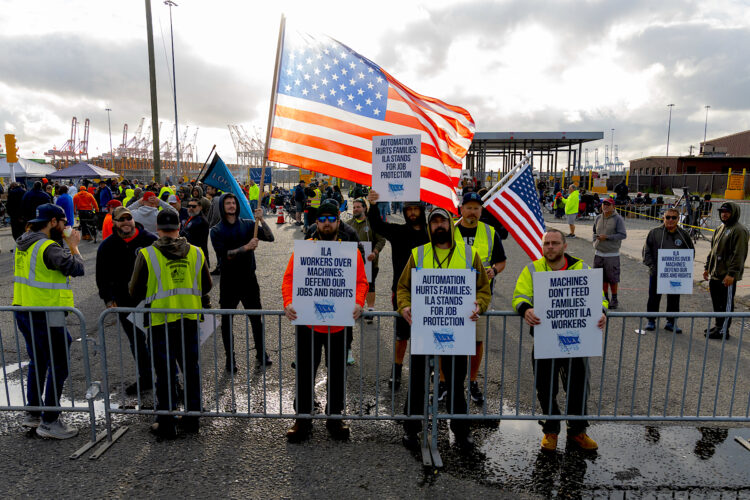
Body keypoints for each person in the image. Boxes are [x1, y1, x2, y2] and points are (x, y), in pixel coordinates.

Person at [396, 207, 491, 450]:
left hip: (456, 331)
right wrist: (404, 306)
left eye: (443, 221)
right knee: (417, 381)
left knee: (456, 382)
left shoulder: (470, 255)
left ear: (450, 224)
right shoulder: (418, 254)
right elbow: (403, 287)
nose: (439, 225)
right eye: (435, 222)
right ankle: (412, 428)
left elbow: (483, 288)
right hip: (424, 329)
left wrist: (479, 304)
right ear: (430, 227)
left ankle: (460, 431)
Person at [282, 201, 368, 442]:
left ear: (338, 222)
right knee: (305, 370)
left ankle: (335, 416)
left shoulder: (348, 250)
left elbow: (362, 282)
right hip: (308, 323)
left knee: (337, 371)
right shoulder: (304, 249)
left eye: (332, 218)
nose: (327, 223)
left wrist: (359, 302)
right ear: (316, 223)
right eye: (322, 219)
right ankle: (302, 417)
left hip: (339, 324)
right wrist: (288, 301)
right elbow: (289, 279)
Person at [513, 229, 605, 452]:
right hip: (545, 338)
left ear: (565, 246)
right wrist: (525, 309)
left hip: (577, 340)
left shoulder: (582, 268)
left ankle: (577, 431)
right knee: (545, 387)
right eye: (546, 244)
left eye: (555, 243)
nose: (550, 247)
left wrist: (602, 311)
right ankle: (551, 431)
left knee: (578, 387)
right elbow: (520, 296)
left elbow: (599, 297)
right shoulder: (533, 268)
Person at [129, 210, 212, 439]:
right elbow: (206, 286)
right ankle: (192, 418)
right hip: (189, 318)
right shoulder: (196, 252)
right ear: (179, 228)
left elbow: (134, 290)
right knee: (191, 368)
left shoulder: (147, 254)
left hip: (160, 321)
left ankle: (166, 423)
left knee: (165, 372)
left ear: (158, 229)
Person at [13, 204, 84, 439]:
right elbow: (77, 268)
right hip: (46, 312)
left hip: (24, 308)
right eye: (64, 223)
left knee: (39, 361)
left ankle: (33, 414)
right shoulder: (47, 246)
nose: (66, 227)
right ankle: (50, 421)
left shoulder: (24, 240)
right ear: (53, 222)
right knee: (59, 363)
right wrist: (74, 246)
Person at [367, 190, 429, 390]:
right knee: (402, 335)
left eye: (415, 209)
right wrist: (374, 205)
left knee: (428, 333)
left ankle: (431, 369)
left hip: (430, 291)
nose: (412, 213)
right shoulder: (399, 232)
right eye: (409, 209)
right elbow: (377, 225)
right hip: (402, 292)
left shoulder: (432, 233)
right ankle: (397, 368)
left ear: (422, 210)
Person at [96, 205, 158, 394]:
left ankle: (170, 382)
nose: (126, 222)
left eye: (128, 218)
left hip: (152, 300)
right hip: (125, 302)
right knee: (137, 342)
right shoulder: (107, 245)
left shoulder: (150, 240)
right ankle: (146, 378)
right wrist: (107, 298)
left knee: (159, 342)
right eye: (121, 219)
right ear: (114, 222)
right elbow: (102, 275)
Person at [452, 191, 506, 404]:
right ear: (461, 209)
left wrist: (494, 270)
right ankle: (446, 382)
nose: (472, 212)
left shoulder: (490, 231)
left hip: (479, 296)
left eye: (476, 208)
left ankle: (472, 381)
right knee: (449, 340)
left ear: (481, 210)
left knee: (476, 342)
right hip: (453, 295)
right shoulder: (451, 229)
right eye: (469, 207)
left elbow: (501, 261)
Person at [210, 193, 274, 371]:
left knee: (256, 319)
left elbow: (270, 237)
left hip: (249, 280)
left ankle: (261, 353)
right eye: (228, 203)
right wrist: (246, 247)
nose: (231, 205)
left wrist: (261, 220)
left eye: (233, 203)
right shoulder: (216, 230)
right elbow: (223, 255)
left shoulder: (248, 225)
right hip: (229, 281)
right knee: (227, 320)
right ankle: (230, 359)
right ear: (222, 207)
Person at [344, 198, 386, 363]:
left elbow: (381, 240)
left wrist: (374, 252)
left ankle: (370, 309)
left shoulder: (372, 223)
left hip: (369, 261)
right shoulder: (347, 224)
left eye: (358, 206)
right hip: (353, 263)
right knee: (353, 287)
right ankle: (357, 307)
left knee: (370, 285)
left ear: (365, 208)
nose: (355, 209)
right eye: (353, 207)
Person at [642, 207, 694, 333]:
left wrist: (683, 267)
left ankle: (671, 322)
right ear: (663, 218)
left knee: (674, 299)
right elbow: (646, 251)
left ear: (678, 219)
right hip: (656, 272)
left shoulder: (683, 234)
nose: (670, 220)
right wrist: (652, 266)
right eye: (668, 217)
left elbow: (690, 252)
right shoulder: (654, 232)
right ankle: (651, 320)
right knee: (653, 297)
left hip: (675, 274)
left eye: (674, 217)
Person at [703, 202, 749, 339]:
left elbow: (739, 254)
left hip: (726, 277)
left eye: (727, 211)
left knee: (726, 304)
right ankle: (719, 326)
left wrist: (732, 274)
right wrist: (707, 267)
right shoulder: (720, 228)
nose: (724, 214)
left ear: (734, 212)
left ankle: (724, 330)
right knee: (717, 303)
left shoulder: (739, 230)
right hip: (715, 274)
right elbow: (713, 250)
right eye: (722, 211)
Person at [592, 198, 627, 309]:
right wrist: (595, 240)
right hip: (598, 253)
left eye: (608, 204)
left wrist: (607, 237)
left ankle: (614, 299)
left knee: (612, 278)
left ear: (613, 206)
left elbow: (622, 235)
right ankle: (605, 298)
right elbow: (594, 231)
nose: (605, 206)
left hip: (612, 254)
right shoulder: (598, 218)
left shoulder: (618, 219)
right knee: (601, 278)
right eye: (604, 204)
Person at [181, 198, 211, 270]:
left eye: (194, 206)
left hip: (197, 256)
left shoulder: (200, 220)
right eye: (189, 206)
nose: (191, 208)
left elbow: (185, 235)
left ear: (200, 207)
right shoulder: (192, 217)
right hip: (191, 254)